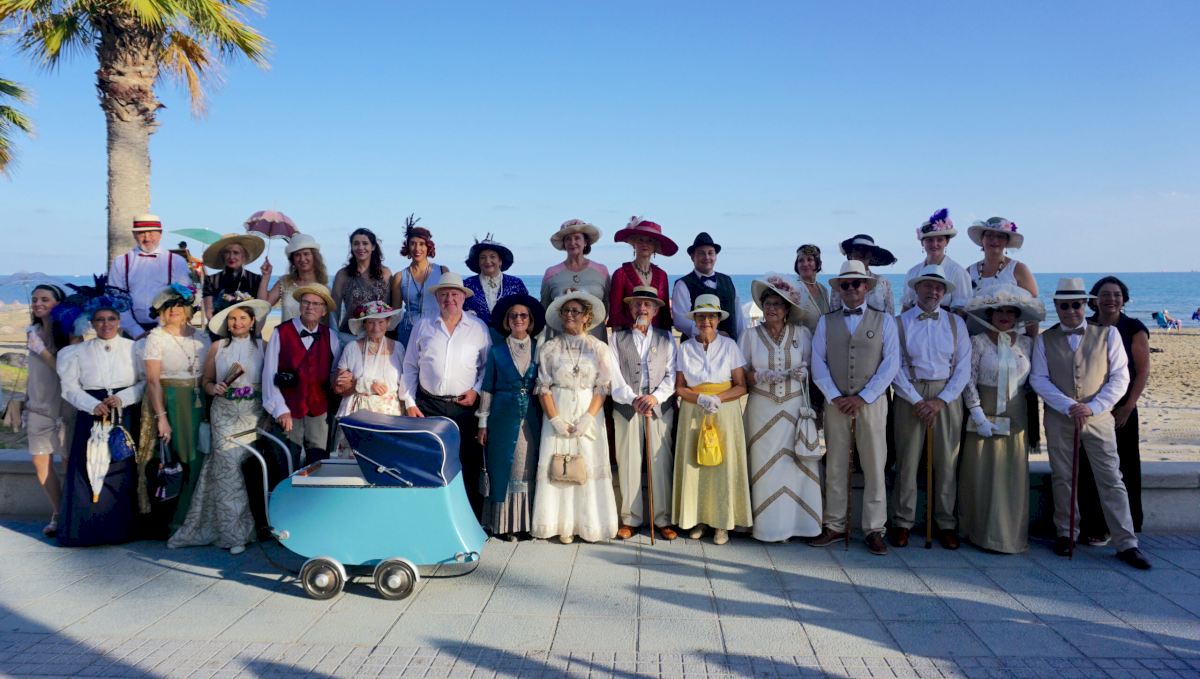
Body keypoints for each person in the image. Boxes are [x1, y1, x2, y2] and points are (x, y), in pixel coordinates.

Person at [1029, 278, 1150, 569]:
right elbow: (1038, 378)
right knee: (1063, 476)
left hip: (1099, 418)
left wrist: (1093, 406)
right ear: (1056, 306)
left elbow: (1120, 377)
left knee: (1111, 477)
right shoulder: (1045, 339)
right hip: (1059, 418)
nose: (1071, 310)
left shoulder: (1109, 334)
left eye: (1076, 304)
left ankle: (1126, 542)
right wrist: (1068, 406)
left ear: (1086, 304)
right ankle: (1066, 532)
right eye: (1065, 305)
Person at [809, 261, 900, 555]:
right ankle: (834, 524)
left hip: (871, 404)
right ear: (839, 289)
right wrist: (834, 396)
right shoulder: (826, 322)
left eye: (856, 284)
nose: (851, 289)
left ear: (866, 287)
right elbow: (817, 361)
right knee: (836, 464)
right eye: (845, 285)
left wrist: (864, 397)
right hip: (836, 404)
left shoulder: (885, 321)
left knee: (874, 465)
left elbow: (891, 363)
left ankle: (875, 528)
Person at [168, 298, 270, 554]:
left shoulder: (264, 346)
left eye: (243, 318)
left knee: (251, 470)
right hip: (224, 414)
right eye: (233, 319)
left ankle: (256, 527)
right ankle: (234, 534)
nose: (237, 323)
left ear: (252, 321)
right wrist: (214, 388)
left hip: (254, 414)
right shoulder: (217, 347)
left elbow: (271, 383)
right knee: (228, 471)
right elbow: (206, 381)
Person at [54, 282, 144, 546]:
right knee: (87, 465)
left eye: (111, 319)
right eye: (100, 320)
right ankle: (85, 531)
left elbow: (145, 382)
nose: (106, 324)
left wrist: (123, 398)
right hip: (91, 412)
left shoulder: (134, 348)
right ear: (92, 323)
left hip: (123, 413)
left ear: (119, 320)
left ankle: (119, 530)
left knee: (121, 466)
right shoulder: (75, 352)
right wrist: (91, 404)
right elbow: (69, 388)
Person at [889, 265, 971, 549]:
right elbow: (894, 366)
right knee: (907, 461)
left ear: (944, 292)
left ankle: (946, 523)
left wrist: (941, 400)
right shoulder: (899, 323)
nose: (933, 292)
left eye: (938, 288)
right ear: (916, 288)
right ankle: (902, 521)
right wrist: (916, 399)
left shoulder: (956, 324)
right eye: (927, 286)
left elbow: (963, 367)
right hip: (909, 394)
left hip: (946, 396)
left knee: (947, 462)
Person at [959, 283, 1043, 553]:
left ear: (1017, 316)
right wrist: (977, 413)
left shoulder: (1028, 344)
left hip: (1016, 415)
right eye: (999, 311)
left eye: (1010, 312)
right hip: (983, 412)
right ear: (990, 314)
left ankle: (1008, 536)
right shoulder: (977, 342)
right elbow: (968, 381)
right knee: (982, 473)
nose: (1004, 316)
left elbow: (1035, 380)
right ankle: (979, 532)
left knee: (1011, 476)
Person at [530, 290, 618, 543]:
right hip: (558, 409)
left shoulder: (598, 348)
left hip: (588, 411)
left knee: (588, 463)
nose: (570, 315)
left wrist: (589, 417)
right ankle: (561, 525)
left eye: (575, 311)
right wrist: (555, 419)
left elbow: (603, 386)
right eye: (566, 311)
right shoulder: (549, 348)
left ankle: (589, 524)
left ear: (586, 316)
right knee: (558, 464)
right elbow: (543, 386)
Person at [739, 277, 822, 542]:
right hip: (761, 409)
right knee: (762, 465)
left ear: (787, 309)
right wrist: (758, 376)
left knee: (794, 467)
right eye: (767, 304)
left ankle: (797, 525)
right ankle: (766, 527)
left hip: (794, 408)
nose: (772, 308)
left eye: (777, 304)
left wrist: (802, 374)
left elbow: (812, 367)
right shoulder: (750, 335)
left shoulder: (802, 334)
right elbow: (741, 374)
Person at [403, 272, 491, 515]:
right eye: (444, 294)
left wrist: (476, 391)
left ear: (463, 297)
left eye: (454, 294)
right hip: (428, 407)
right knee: (429, 464)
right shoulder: (423, 326)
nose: (449, 298)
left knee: (468, 464)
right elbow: (410, 366)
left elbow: (486, 367)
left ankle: (470, 517)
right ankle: (431, 515)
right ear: (437, 298)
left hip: (465, 408)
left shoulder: (478, 328)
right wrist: (409, 402)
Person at [672, 294, 752, 545]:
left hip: (724, 412)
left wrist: (718, 398)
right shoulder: (685, 348)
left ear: (718, 319)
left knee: (722, 467)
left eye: (711, 316)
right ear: (694, 319)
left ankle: (722, 523)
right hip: (693, 411)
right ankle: (698, 519)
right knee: (695, 466)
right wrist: (700, 399)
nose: (706, 320)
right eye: (701, 316)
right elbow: (680, 387)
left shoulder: (730, 346)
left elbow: (742, 386)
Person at [1078, 276, 1150, 543]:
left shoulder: (1134, 328)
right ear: (1094, 300)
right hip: (1090, 407)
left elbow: (1142, 371)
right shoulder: (1085, 326)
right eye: (1105, 294)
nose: (1111, 299)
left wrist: (1129, 406)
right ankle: (1094, 525)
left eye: (1117, 294)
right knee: (1088, 467)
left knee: (1123, 466)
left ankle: (1125, 527)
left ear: (1124, 298)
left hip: (1122, 408)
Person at [137, 283, 211, 535]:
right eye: (168, 307)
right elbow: (153, 381)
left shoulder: (201, 337)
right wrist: (161, 418)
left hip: (199, 402)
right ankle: (178, 521)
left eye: (178, 305)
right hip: (172, 402)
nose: (173, 310)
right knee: (182, 459)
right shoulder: (156, 338)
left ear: (188, 308)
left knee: (200, 457)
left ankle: (198, 517)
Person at [608, 286, 678, 540]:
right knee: (628, 461)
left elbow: (672, 374)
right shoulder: (616, 338)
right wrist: (633, 398)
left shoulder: (666, 338)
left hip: (659, 407)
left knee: (661, 462)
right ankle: (631, 519)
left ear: (656, 310)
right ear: (630, 308)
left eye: (648, 304)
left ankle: (663, 519)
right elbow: (613, 374)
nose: (642, 308)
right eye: (637, 304)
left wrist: (655, 398)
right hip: (627, 406)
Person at [477, 294, 545, 539]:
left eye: (523, 315)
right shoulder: (496, 351)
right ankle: (504, 524)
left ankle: (526, 522)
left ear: (530, 320)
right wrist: (482, 423)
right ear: (507, 321)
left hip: (532, 416)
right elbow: (487, 388)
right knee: (503, 464)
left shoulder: (540, 348)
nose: (518, 319)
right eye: (513, 315)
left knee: (527, 466)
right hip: (502, 416)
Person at [262, 283, 341, 463]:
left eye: (316, 304)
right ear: (300, 305)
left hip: (319, 411)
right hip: (288, 409)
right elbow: (269, 375)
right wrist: (280, 410)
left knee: (319, 463)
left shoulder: (332, 336)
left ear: (324, 311)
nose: (310, 307)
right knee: (286, 461)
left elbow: (334, 375)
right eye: (306, 302)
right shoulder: (280, 332)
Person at [25, 284, 72, 537]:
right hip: (37, 407)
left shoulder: (70, 334)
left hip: (63, 408)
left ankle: (72, 512)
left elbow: (66, 372)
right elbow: (34, 372)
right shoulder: (32, 331)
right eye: (35, 299)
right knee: (39, 461)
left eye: (45, 299)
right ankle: (58, 511)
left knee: (67, 461)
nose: (38, 303)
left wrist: (42, 351)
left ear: (58, 303)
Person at [332, 301, 408, 457]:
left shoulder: (399, 348)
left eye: (380, 322)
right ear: (364, 324)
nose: (376, 328)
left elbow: (405, 384)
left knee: (386, 460)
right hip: (358, 416)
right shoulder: (352, 348)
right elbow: (338, 388)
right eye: (371, 322)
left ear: (388, 322)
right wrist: (361, 384)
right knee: (354, 462)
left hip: (390, 417)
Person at [106, 214, 192, 339]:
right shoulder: (120, 262)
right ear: (134, 235)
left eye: (151, 233)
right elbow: (116, 300)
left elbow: (182, 300)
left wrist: (161, 331)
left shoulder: (177, 262)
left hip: (168, 330)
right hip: (132, 333)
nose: (147, 238)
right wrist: (136, 332)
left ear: (160, 233)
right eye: (141, 233)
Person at [541, 219, 610, 342]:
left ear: (586, 242)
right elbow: (545, 310)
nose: (572, 242)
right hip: (560, 341)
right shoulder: (551, 273)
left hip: (595, 340)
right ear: (564, 243)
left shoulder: (601, 271)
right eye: (568, 239)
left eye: (577, 238)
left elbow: (607, 306)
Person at [672, 232, 745, 341]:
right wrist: (715, 335)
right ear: (692, 257)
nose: (707, 257)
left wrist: (742, 341)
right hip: (695, 347)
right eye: (701, 253)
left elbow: (739, 317)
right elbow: (680, 321)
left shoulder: (728, 281)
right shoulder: (682, 284)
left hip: (730, 347)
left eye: (710, 253)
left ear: (715, 256)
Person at [608, 217, 676, 331]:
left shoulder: (662, 275)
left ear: (655, 246)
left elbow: (665, 315)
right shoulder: (620, 274)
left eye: (649, 241)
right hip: (628, 336)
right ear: (634, 243)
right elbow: (615, 314)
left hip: (656, 336)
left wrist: (666, 338)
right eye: (640, 240)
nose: (645, 244)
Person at [899, 209, 972, 312]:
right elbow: (906, 307)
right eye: (930, 240)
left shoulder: (958, 272)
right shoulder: (912, 272)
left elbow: (962, 311)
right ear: (922, 243)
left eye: (939, 240)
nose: (934, 244)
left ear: (947, 242)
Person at [390, 218, 449, 346]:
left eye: (422, 244)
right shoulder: (399, 277)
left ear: (428, 247)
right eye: (413, 243)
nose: (417, 248)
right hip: (408, 331)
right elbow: (396, 313)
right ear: (408, 246)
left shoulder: (442, 271)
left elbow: (449, 304)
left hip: (436, 329)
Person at [331, 228, 393, 338]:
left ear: (373, 247)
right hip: (350, 335)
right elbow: (334, 311)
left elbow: (390, 308)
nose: (360, 247)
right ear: (351, 247)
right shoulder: (343, 275)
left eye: (365, 243)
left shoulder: (385, 274)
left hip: (379, 335)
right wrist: (333, 337)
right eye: (356, 244)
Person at [259, 233, 329, 323]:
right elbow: (262, 306)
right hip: (286, 332)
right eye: (297, 255)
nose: (302, 259)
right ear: (292, 260)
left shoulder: (324, 288)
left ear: (314, 257)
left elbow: (328, 322)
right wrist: (266, 276)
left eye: (306, 254)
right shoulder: (284, 283)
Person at [462, 236, 529, 326]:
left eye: (492, 257)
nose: (487, 261)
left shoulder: (516, 283)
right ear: (478, 262)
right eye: (483, 257)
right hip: (475, 333)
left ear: (500, 261)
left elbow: (527, 311)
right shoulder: (467, 284)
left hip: (509, 333)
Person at [200, 233, 265, 321]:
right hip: (217, 325)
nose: (231, 257)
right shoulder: (211, 280)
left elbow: (261, 308)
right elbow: (209, 311)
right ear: (222, 256)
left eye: (236, 252)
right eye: (227, 252)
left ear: (244, 255)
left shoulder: (255, 279)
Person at [831, 234, 896, 315]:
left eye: (866, 250)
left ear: (871, 254)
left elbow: (890, 314)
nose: (861, 253)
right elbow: (834, 314)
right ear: (851, 253)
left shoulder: (883, 282)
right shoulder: (840, 283)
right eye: (857, 249)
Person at [792, 244, 831, 332]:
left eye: (809, 260)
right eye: (801, 260)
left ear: (818, 264)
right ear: (797, 265)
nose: (805, 264)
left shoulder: (824, 290)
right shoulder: (793, 289)